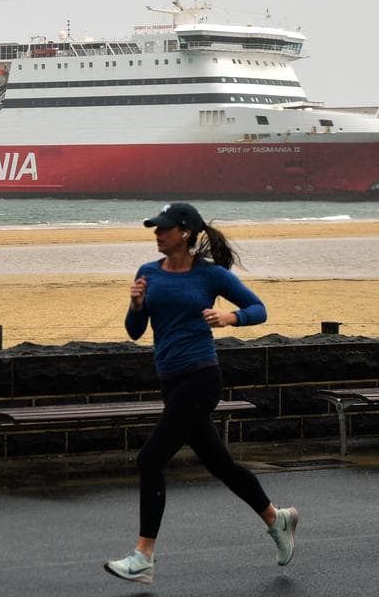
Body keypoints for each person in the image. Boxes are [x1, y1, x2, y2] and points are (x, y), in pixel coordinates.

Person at [103, 202, 299, 585]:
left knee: (150, 459)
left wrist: (230, 317)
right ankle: (278, 519)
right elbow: (134, 331)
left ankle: (144, 555)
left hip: (201, 377)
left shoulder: (210, 275)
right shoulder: (147, 273)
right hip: (171, 380)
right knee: (220, 464)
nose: (157, 234)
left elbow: (259, 309)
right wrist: (136, 304)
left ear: (186, 233)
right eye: (154, 228)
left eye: (164, 228)